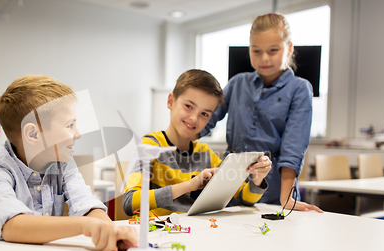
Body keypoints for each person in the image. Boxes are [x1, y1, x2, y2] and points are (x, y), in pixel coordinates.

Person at [0, 74, 138, 251]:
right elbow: (12, 225)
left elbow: (85, 203)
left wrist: (108, 230)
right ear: (33, 135)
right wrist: (87, 224)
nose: (78, 133)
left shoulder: (62, 162)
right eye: (70, 125)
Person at [200, 13, 322, 213]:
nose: (264, 58)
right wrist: (174, 140)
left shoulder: (299, 89)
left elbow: (294, 147)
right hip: (229, 181)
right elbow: (207, 119)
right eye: (256, 51)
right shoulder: (237, 83)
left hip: (274, 187)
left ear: (289, 49)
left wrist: (286, 197)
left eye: (273, 50)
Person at [123, 69, 272, 216]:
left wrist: (257, 179)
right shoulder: (149, 146)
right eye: (188, 106)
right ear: (170, 101)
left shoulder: (206, 153)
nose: (194, 118)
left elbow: (244, 198)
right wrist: (189, 186)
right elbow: (129, 202)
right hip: (157, 234)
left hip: (194, 234)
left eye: (204, 114)